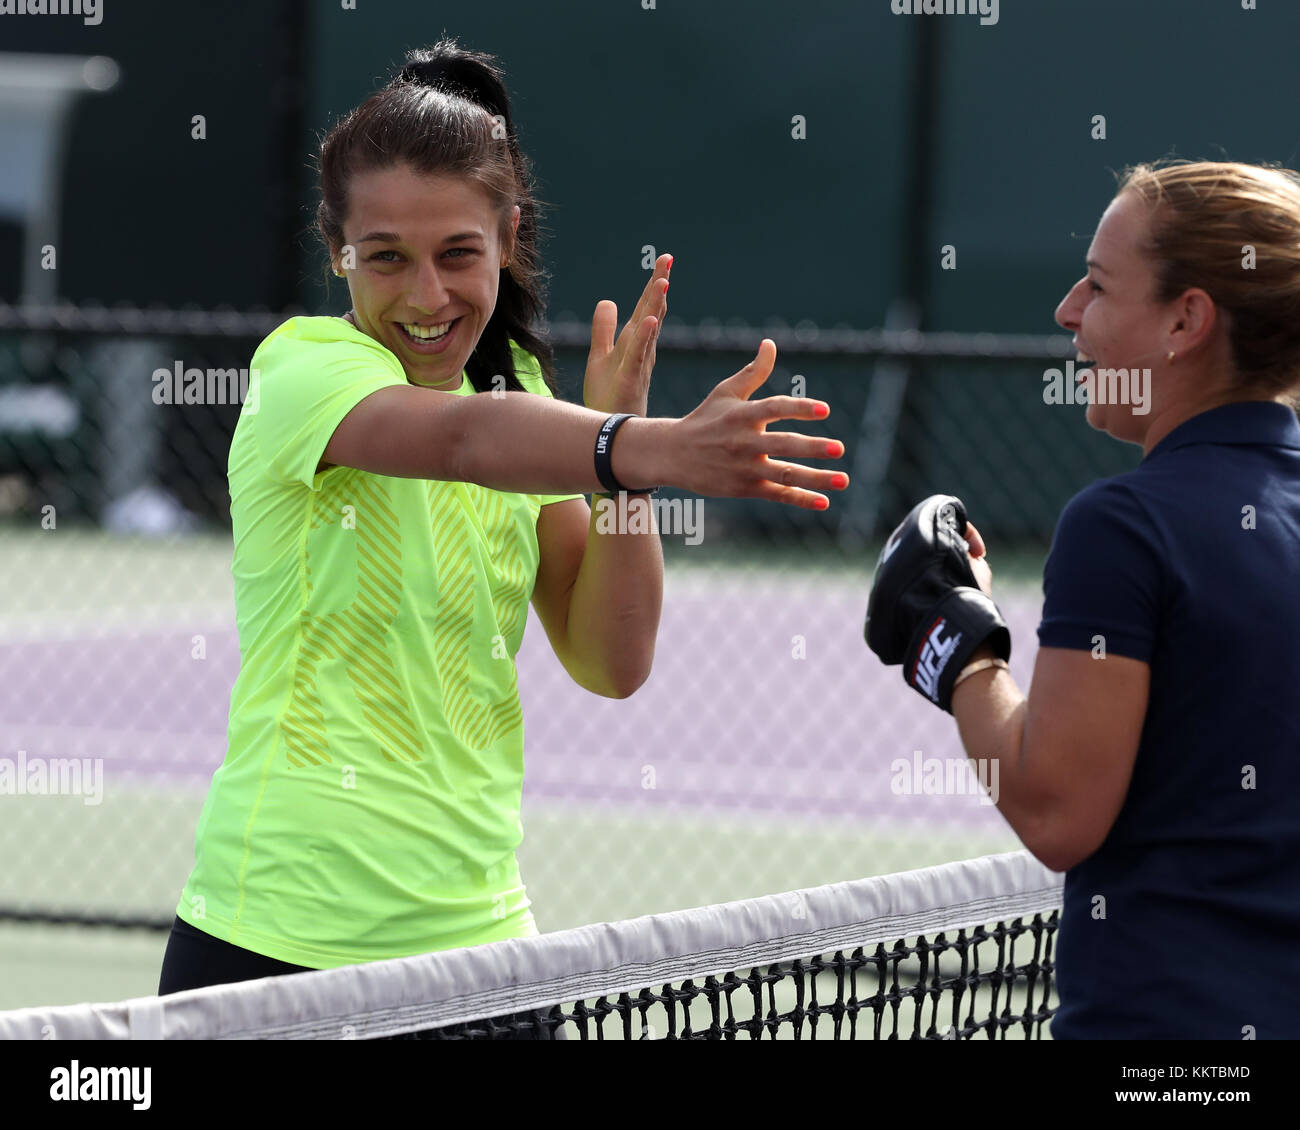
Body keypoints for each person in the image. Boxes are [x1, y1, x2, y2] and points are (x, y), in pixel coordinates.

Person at [158, 39, 848, 1016]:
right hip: (276, 945)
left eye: (458, 255)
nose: (426, 296)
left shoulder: (527, 402)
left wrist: (622, 483)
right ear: (337, 252)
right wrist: (639, 443)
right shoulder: (302, 369)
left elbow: (612, 660)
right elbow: (464, 443)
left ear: (509, 237)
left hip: (482, 954)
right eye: (385, 258)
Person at [865, 160, 1300, 1039]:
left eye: (1099, 286)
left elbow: (1057, 808)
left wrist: (954, 642)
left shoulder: (1125, 526)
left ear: (1187, 319)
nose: (1068, 311)